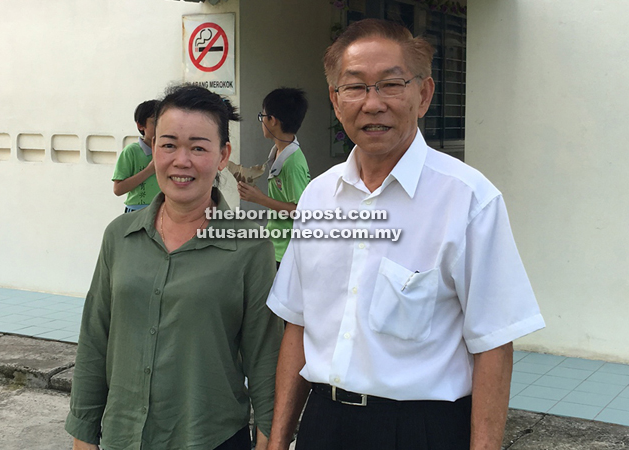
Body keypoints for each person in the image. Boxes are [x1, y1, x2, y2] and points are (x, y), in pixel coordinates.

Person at [265, 19, 546, 450]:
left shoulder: (468, 199)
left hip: (421, 429)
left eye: (391, 85)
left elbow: (493, 346)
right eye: (355, 87)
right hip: (324, 423)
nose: (372, 104)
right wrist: (278, 439)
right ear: (335, 101)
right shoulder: (317, 197)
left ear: (424, 94)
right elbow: (297, 327)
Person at [66, 85, 283, 450]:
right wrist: (83, 434)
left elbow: (265, 354)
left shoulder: (249, 245)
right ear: (153, 149)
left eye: (198, 147)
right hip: (125, 437)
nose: (181, 160)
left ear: (222, 156)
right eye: (168, 144)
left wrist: (269, 438)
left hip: (211, 438)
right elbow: (94, 341)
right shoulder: (120, 236)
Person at [237, 88, 311, 266]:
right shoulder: (280, 151)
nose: (261, 121)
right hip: (276, 246)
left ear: (272, 120)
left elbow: (301, 212)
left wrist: (260, 199)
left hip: (287, 251)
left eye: (262, 116)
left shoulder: (292, 163)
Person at [113, 99, 162, 213]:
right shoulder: (131, 151)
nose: (160, 127)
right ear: (140, 125)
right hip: (137, 211)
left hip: (163, 210)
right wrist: (149, 170)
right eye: (154, 122)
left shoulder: (169, 150)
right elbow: (118, 189)